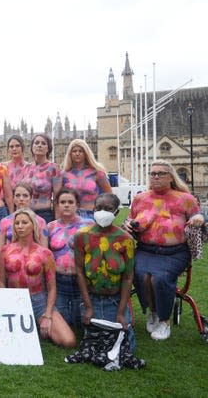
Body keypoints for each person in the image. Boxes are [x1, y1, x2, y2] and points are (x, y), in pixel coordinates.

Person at [125, 160, 205, 340]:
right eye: (153, 174)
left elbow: (197, 214)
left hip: (175, 252)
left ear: (170, 177)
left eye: (160, 173)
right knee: (141, 275)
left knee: (160, 278)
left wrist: (198, 218)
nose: (156, 177)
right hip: (145, 250)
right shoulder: (140, 198)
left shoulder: (185, 198)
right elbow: (129, 221)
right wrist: (129, 225)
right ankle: (153, 312)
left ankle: (164, 321)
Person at [0, 209, 76, 347]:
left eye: (24, 222)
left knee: (68, 341)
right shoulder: (5, 251)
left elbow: (52, 288)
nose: (20, 226)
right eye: (17, 223)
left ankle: (39, 323)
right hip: (14, 301)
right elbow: (1, 282)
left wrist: (47, 315)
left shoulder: (44, 253)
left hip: (38, 301)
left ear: (33, 225)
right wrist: (6, 305)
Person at [74, 193, 136, 350]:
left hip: (115, 300)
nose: (102, 212)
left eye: (108, 209)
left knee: (126, 348)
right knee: (94, 347)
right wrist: (88, 306)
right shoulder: (82, 236)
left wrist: (121, 312)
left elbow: (128, 278)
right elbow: (80, 272)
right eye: (99, 208)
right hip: (92, 298)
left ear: (116, 212)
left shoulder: (126, 239)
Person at [46, 189, 95, 327]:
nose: (66, 205)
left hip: (81, 282)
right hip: (59, 282)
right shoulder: (51, 226)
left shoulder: (89, 225)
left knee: (82, 322)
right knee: (65, 323)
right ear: (57, 205)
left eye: (70, 202)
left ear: (77, 204)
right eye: (62, 202)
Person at [61, 139, 112, 219]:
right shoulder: (64, 175)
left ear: (86, 153)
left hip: (93, 216)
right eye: (74, 151)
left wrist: (106, 215)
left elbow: (110, 196)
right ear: (70, 154)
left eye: (80, 151)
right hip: (71, 217)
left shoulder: (97, 172)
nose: (77, 153)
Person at [0, 182, 49, 255]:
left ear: (31, 198)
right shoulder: (4, 222)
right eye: (17, 195)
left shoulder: (40, 221)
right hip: (10, 262)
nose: (21, 199)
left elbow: (44, 250)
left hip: (33, 262)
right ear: (13, 198)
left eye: (25, 196)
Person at [28, 133, 62, 224]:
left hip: (44, 214)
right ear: (32, 147)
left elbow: (57, 197)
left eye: (43, 143)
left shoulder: (54, 168)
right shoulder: (26, 167)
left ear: (48, 148)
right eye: (36, 143)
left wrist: (57, 220)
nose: (39, 145)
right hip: (25, 215)